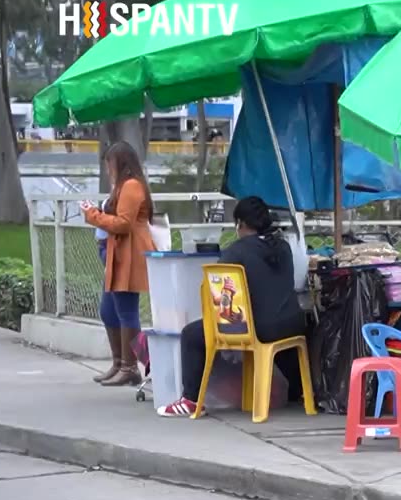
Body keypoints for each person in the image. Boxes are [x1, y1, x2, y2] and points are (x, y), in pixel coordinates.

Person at [156, 197, 306, 417]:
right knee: (275, 327)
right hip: (293, 324)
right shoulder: (283, 246)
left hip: (260, 329)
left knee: (191, 334)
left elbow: (218, 293)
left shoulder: (237, 251)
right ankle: (300, 391)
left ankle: (190, 400)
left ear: (241, 224)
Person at [82, 141, 155, 387]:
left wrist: (93, 215)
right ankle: (119, 362)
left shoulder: (132, 186)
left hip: (129, 253)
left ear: (119, 163)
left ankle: (131, 366)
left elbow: (124, 223)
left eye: (109, 164)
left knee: (126, 311)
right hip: (119, 252)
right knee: (109, 310)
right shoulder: (124, 186)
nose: (107, 170)